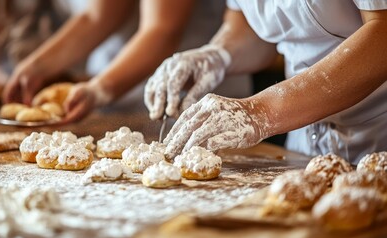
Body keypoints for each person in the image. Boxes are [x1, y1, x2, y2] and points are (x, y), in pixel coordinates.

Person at [146, 0, 387, 163]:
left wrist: (260, 112)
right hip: (302, 139)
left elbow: (382, 34)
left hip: (377, 137)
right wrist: (217, 55)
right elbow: (251, 25)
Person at [2, 0, 251, 123]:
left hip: (195, 96)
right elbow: (98, 15)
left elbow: (161, 29)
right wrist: (35, 67)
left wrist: (99, 89)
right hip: (118, 100)